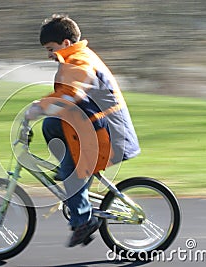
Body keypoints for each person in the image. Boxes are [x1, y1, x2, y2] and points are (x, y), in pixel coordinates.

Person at [25, 14, 141, 247]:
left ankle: (83, 221)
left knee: (72, 171)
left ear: (65, 44)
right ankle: (72, 175)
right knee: (50, 124)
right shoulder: (73, 58)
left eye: (50, 49)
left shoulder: (80, 61)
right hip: (91, 126)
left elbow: (71, 94)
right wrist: (42, 108)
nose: (48, 55)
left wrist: (40, 107)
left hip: (107, 133)